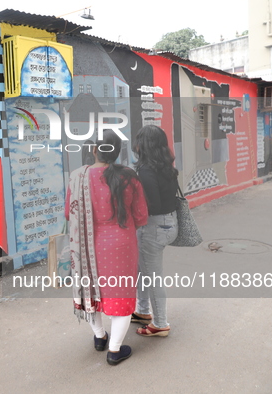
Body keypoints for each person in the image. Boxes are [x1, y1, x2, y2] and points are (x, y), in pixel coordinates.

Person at [65, 130, 148, 366]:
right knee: (120, 296)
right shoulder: (129, 176)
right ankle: (114, 350)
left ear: (93, 150)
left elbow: (68, 213)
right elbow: (141, 216)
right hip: (122, 246)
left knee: (91, 291)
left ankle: (100, 337)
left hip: (86, 247)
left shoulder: (76, 177)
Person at [131, 125, 179, 337]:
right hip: (169, 224)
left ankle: (160, 324)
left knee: (152, 276)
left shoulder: (146, 170)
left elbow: (153, 206)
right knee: (144, 271)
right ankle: (142, 311)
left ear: (143, 145)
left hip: (154, 227)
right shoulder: (166, 165)